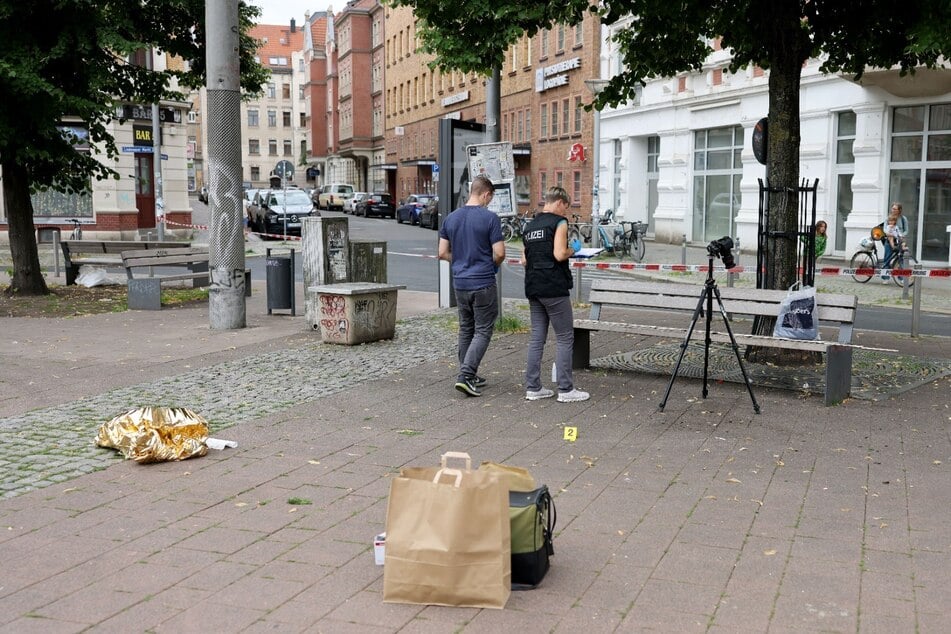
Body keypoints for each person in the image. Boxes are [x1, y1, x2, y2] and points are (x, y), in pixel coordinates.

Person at [519, 186, 589, 403]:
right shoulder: (559, 223)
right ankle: (566, 390)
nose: (565, 213)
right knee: (565, 337)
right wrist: (573, 249)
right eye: (566, 208)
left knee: (537, 338)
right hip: (554, 287)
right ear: (559, 202)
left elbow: (524, 260)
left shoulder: (529, 226)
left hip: (533, 287)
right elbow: (559, 254)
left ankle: (533, 387)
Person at [438, 175, 506, 397]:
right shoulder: (490, 218)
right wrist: (490, 265)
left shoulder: (451, 218)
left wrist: (459, 262)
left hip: (460, 282)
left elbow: (441, 252)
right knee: (484, 329)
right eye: (490, 198)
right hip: (483, 281)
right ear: (485, 194)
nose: (489, 202)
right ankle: (466, 375)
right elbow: (500, 253)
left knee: (466, 328)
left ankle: (468, 373)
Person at [881, 212, 903, 283]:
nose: (891, 222)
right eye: (890, 221)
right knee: (887, 260)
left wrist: (901, 236)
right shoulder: (888, 226)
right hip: (889, 241)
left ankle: (901, 278)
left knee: (900, 259)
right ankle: (885, 278)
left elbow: (899, 232)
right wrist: (890, 233)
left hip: (896, 241)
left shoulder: (896, 226)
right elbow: (885, 231)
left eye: (893, 221)